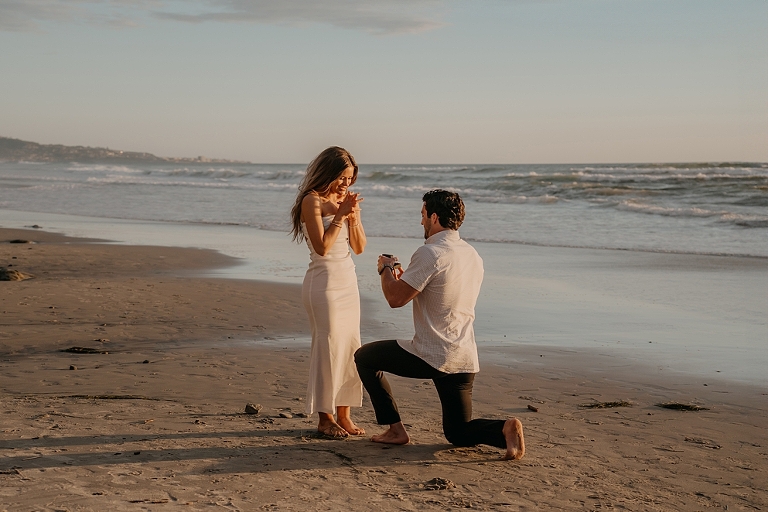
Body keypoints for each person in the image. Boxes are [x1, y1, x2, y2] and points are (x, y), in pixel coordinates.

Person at [354, 189, 525, 460]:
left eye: (422, 215)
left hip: (432, 354)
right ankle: (503, 429)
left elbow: (395, 299)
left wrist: (385, 269)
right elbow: (443, 292)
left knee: (364, 357)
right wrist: (406, 278)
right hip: (464, 355)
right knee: (457, 433)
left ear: (434, 217)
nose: (421, 221)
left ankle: (396, 430)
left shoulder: (429, 252)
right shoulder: (472, 254)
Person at [290, 146, 367, 438]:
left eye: (351, 178)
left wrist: (354, 215)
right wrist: (340, 216)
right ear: (329, 172)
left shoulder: (344, 201)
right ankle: (325, 417)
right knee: (328, 346)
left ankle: (345, 415)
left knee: (350, 347)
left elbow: (359, 248)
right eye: (343, 177)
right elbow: (322, 248)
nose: (347, 183)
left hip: (348, 281)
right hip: (323, 283)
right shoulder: (312, 201)